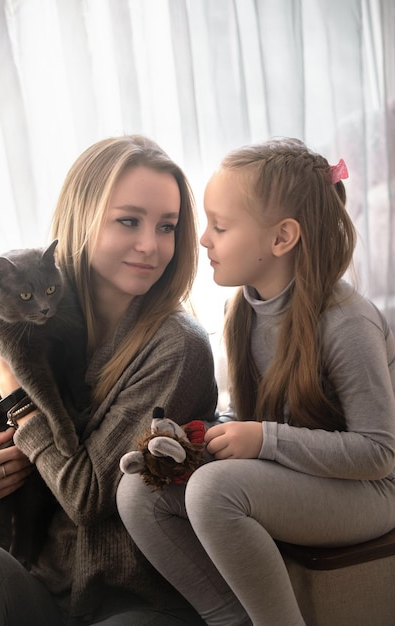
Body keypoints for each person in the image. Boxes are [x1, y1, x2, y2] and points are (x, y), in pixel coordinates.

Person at [117, 137, 395, 625]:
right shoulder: (241, 311)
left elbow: (379, 453)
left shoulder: (347, 322)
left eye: (220, 226)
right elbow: (259, 422)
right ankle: (229, 618)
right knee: (139, 489)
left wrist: (264, 439)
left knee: (213, 492)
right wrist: (207, 441)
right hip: (308, 475)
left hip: (373, 491)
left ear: (281, 238)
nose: (203, 239)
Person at [0, 135, 218, 626]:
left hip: (136, 604)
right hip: (46, 594)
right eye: (129, 221)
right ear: (82, 220)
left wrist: (13, 389)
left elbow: (86, 498)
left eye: (167, 226)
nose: (151, 245)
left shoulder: (177, 347)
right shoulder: (31, 312)